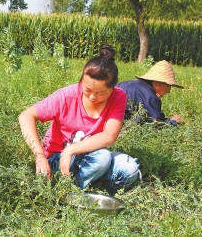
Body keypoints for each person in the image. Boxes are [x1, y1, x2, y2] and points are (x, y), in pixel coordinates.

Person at [18, 45, 140, 195]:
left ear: (113, 88)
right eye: (87, 89)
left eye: (101, 93)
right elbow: (26, 116)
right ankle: (68, 192)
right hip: (58, 157)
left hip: (89, 157)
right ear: (81, 80)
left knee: (129, 169)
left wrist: (71, 149)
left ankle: (86, 185)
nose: (93, 97)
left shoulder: (118, 96)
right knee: (102, 157)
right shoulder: (66, 96)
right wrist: (40, 156)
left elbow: (109, 135)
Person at [117, 60, 184, 125]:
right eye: (169, 85)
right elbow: (157, 123)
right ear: (157, 84)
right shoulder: (149, 96)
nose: (169, 90)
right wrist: (173, 121)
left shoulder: (124, 84)